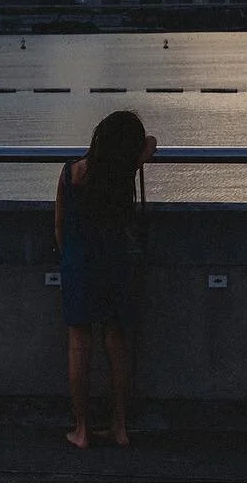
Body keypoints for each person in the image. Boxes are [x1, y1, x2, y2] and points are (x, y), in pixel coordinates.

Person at [54, 110, 157, 449]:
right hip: (115, 263)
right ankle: (120, 427)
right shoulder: (123, 170)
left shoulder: (71, 173)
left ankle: (81, 430)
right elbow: (150, 145)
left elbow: (59, 226)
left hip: (79, 263)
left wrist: (69, 257)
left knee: (79, 343)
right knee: (116, 343)